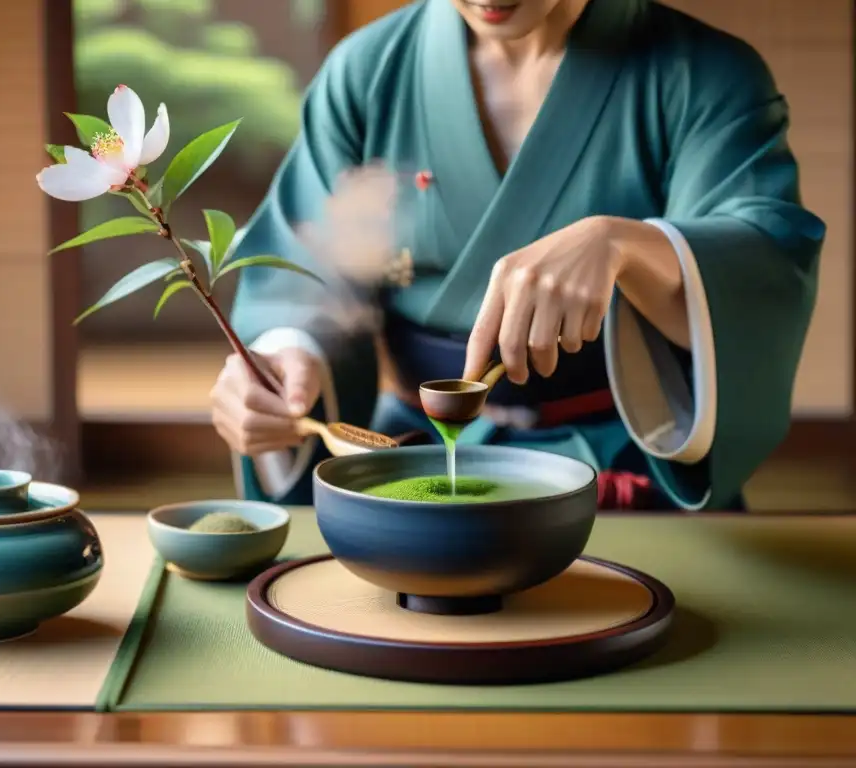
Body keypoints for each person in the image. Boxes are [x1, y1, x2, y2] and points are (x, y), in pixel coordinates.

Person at [209, 0, 826, 511]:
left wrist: (629, 246)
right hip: (412, 460)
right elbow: (303, 271)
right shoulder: (368, 74)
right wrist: (286, 360)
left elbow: (762, 263)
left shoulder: (703, 74)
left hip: (629, 464)